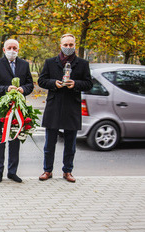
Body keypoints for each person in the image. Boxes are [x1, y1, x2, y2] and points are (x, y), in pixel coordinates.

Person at [38, 33, 92, 183]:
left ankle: (67, 171)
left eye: (71, 45)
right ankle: (47, 170)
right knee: (49, 143)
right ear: (60, 45)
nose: (68, 47)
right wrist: (53, 83)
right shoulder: (50, 62)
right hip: (54, 106)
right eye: (66, 45)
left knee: (70, 144)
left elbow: (88, 84)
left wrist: (76, 84)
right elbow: (41, 81)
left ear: (75, 45)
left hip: (72, 106)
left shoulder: (82, 64)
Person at [0, 39, 34, 183]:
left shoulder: (24, 65)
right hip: (1, 110)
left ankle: (12, 172)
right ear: (4, 49)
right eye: (9, 47)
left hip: (18, 111)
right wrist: (6, 89)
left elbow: (30, 84)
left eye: (15, 48)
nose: (12, 50)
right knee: (0, 143)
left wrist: (23, 89)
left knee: (15, 142)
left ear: (18, 50)